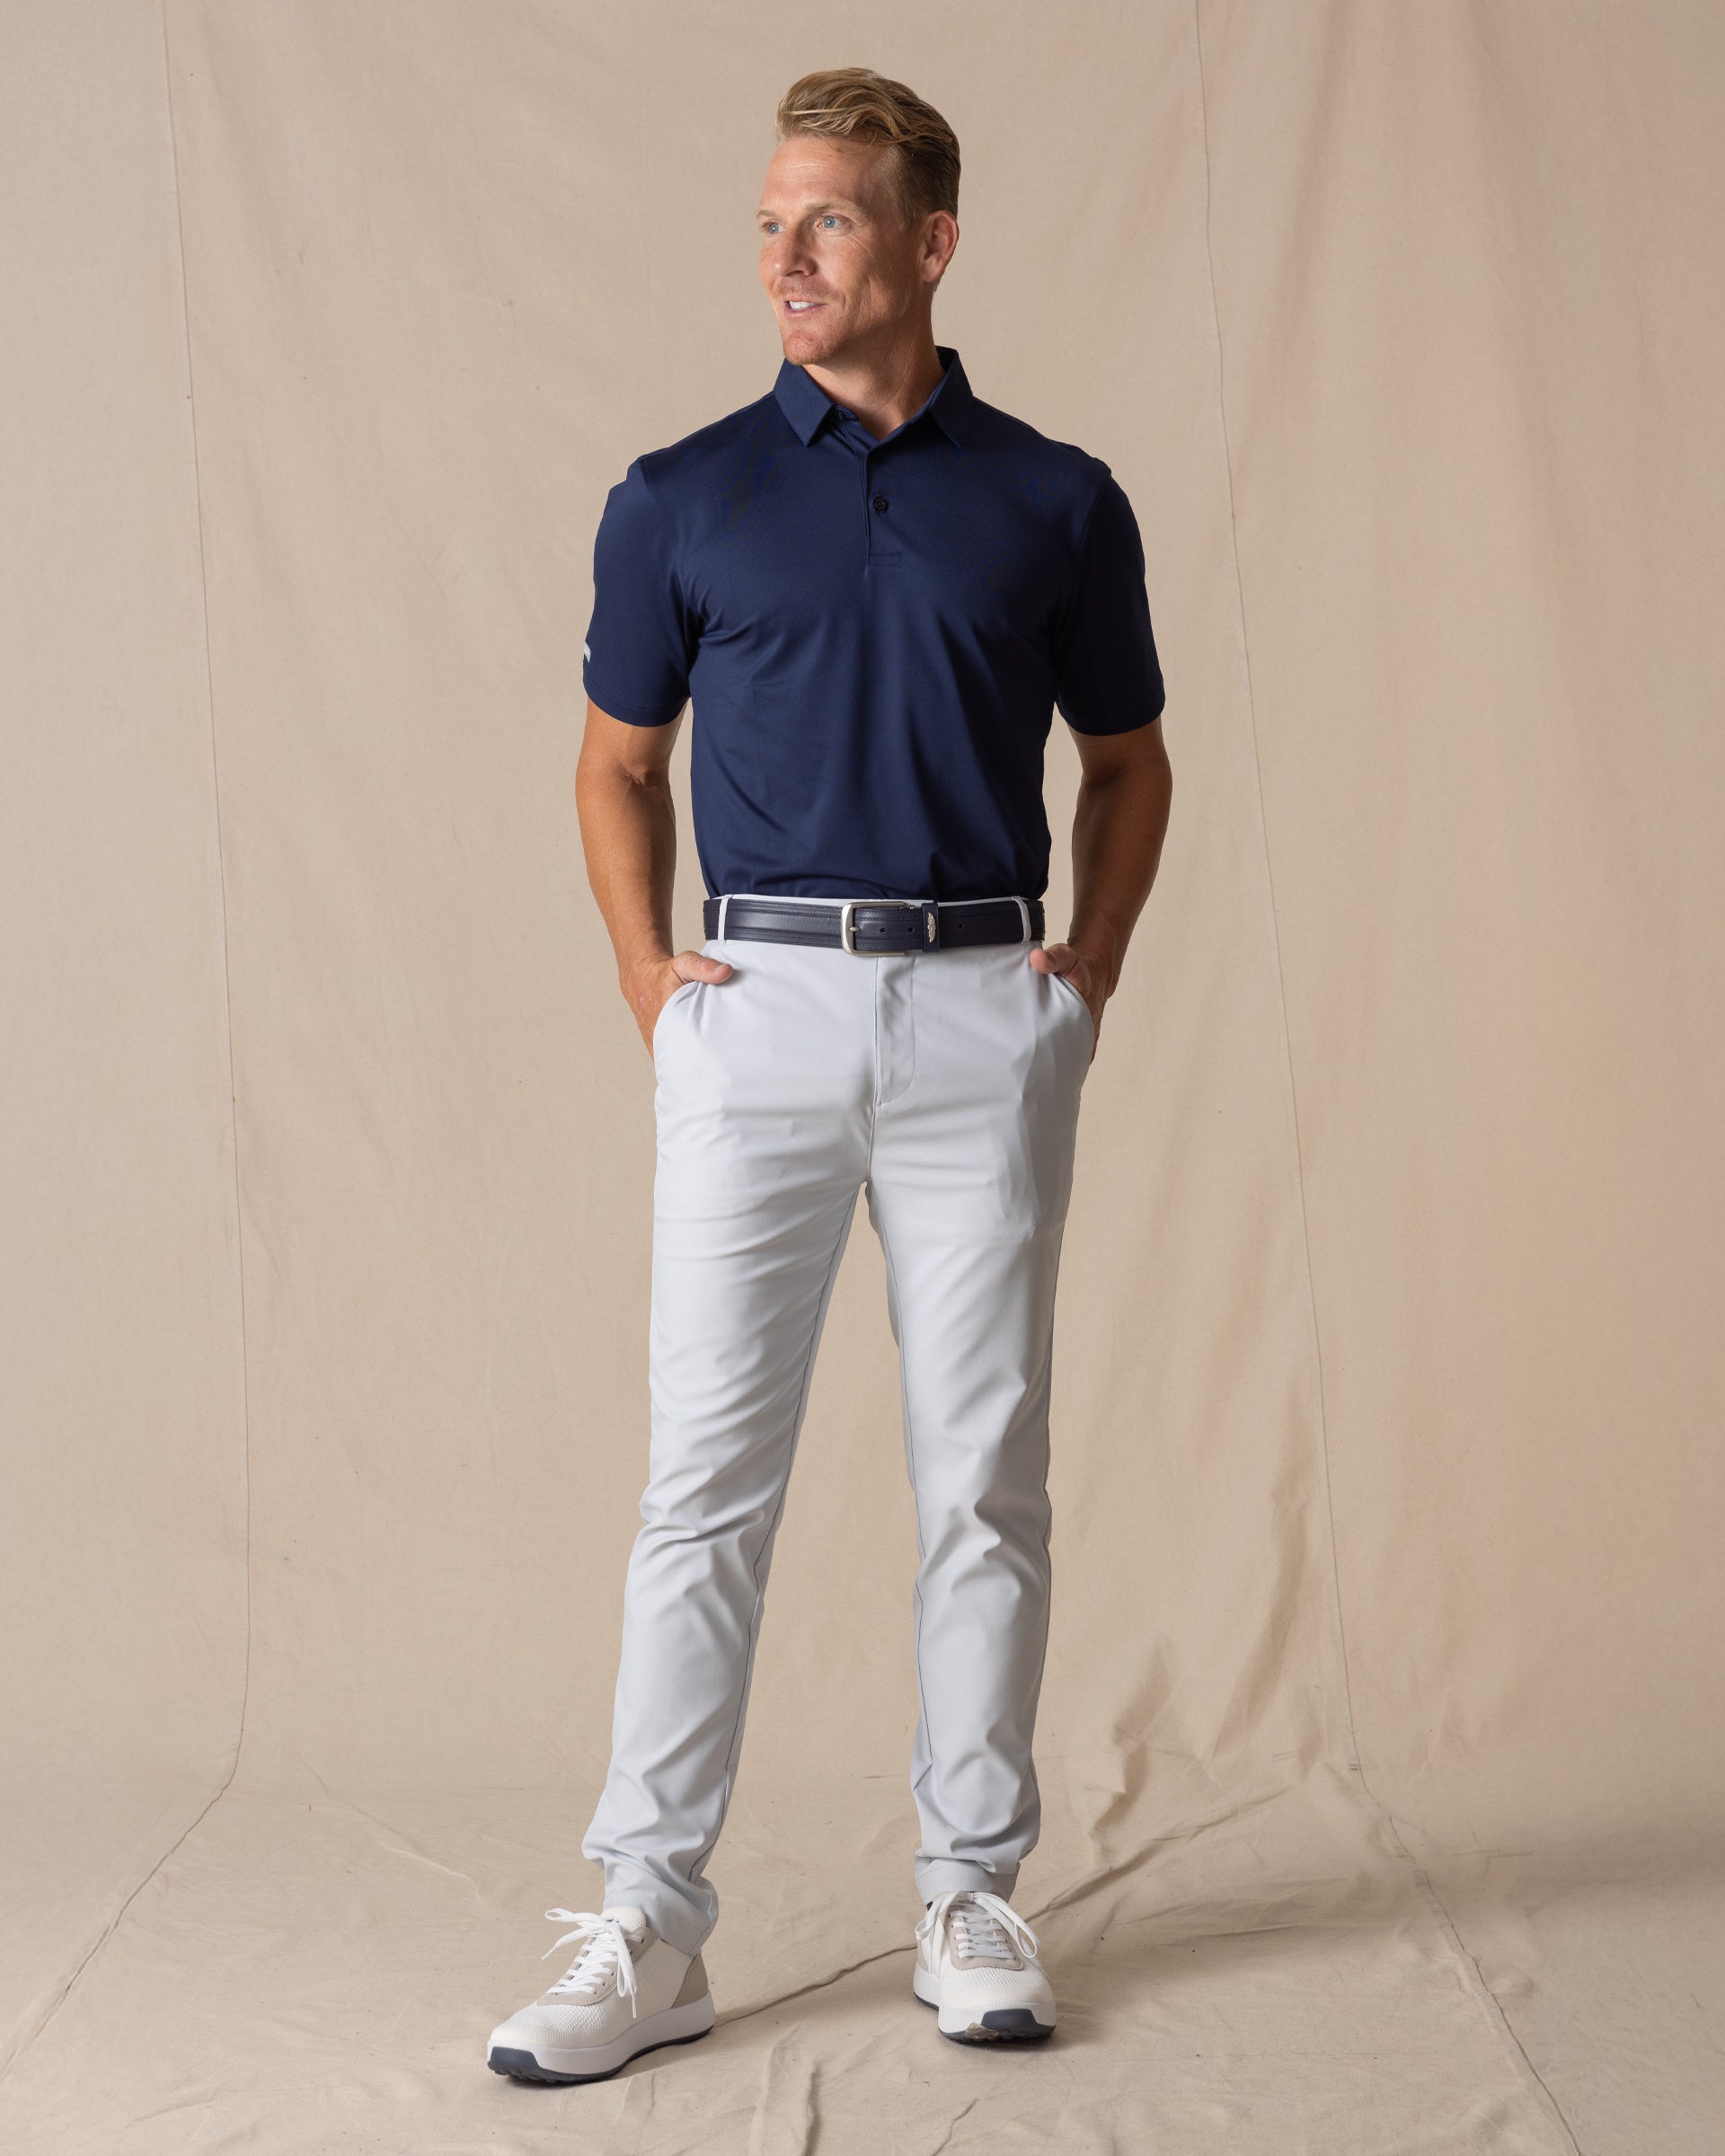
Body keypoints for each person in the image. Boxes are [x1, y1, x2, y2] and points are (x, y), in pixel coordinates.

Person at [486, 65, 1171, 2087]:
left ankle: (970, 1893)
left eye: (832, 223)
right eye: (771, 225)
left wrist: (1086, 975)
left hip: (982, 1005)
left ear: (931, 244)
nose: (786, 258)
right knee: (703, 1484)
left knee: (985, 1482)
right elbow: (616, 765)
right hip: (759, 1005)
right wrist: (652, 983)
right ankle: (649, 1922)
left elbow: (1130, 764)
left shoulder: (1055, 497)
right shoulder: (680, 495)